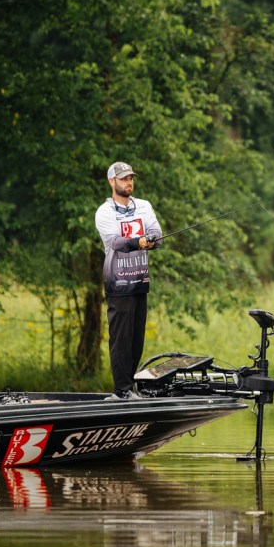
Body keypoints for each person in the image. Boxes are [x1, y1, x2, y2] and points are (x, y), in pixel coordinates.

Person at [95, 161, 162, 399]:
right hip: (118, 284)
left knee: (136, 341)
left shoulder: (144, 206)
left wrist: (151, 240)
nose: (128, 182)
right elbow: (115, 242)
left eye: (130, 178)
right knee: (121, 340)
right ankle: (121, 390)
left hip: (140, 282)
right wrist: (138, 241)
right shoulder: (105, 212)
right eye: (123, 179)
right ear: (112, 181)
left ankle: (129, 388)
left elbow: (157, 235)